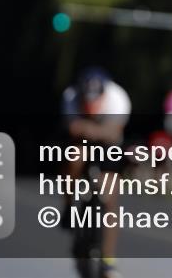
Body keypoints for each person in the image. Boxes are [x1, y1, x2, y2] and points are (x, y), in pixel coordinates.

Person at [61, 66, 131, 278]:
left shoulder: (118, 98)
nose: (92, 106)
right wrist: (90, 130)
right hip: (83, 140)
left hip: (109, 143)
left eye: (96, 100)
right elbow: (73, 128)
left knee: (110, 195)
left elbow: (113, 132)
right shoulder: (70, 97)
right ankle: (68, 205)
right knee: (74, 158)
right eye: (87, 100)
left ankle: (108, 259)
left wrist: (92, 129)